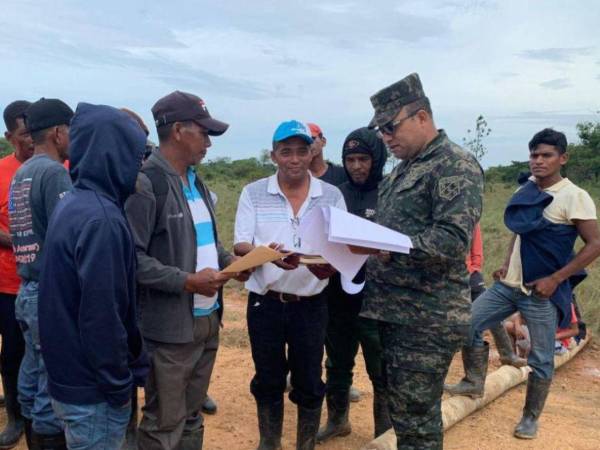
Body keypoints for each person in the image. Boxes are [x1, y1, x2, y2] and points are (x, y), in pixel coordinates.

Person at [445, 128, 600, 439]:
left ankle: (530, 417)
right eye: (534, 155)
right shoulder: (526, 191)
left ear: (562, 158)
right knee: (467, 323)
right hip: (508, 287)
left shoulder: (574, 196)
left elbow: (594, 244)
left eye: (546, 155)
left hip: (541, 293)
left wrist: (556, 279)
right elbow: (519, 228)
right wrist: (505, 263)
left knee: (541, 357)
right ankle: (474, 381)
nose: (538, 161)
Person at [358, 73, 484, 449]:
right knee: (405, 412)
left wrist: (389, 246)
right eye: (381, 130)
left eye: (390, 127)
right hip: (394, 310)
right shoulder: (404, 170)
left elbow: (451, 239)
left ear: (422, 117)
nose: (386, 137)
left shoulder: (454, 165)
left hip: (427, 316)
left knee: (417, 418)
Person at [125, 91, 246, 450]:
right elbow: (132, 259)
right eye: (203, 132)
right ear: (178, 130)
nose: (208, 143)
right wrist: (187, 282)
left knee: (192, 417)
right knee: (164, 422)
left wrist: (235, 266)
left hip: (208, 320)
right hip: (169, 331)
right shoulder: (148, 185)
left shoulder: (197, 182)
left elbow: (210, 244)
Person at [38, 103, 150, 450]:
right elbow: (101, 316)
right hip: (93, 391)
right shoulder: (102, 219)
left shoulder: (75, 202)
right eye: (136, 153)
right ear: (114, 155)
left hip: (69, 377)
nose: (140, 165)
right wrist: (118, 385)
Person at [234, 120, 345, 450]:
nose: (294, 159)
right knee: (267, 377)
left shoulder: (331, 195)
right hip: (265, 301)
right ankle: (270, 443)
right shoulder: (253, 192)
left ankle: (305, 445)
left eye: (301, 151)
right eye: (286, 152)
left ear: (313, 152)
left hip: (310, 304)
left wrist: (333, 265)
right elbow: (241, 244)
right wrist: (267, 255)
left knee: (309, 379)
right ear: (274, 156)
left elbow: (341, 245)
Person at [317, 127, 391, 443]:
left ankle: (384, 433)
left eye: (363, 159)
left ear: (377, 160)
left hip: (378, 300)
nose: (357, 166)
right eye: (351, 159)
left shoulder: (392, 194)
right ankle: (337, 420)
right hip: (338, 296)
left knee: (382, 370)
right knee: (336, 363)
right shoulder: (335, 193)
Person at [8, 98, 74, 449]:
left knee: (31, 382)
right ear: (58, 132)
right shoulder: (55, 173)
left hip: (26, 290)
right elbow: (67, 235)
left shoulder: (22, 172)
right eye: (72, 131)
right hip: (49, 292)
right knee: (52, 389)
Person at [0, 100, 32, 448]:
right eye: (24, 136)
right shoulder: (1, 171)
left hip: (48, 280)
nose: (30, 142)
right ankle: (15, 415)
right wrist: (24, 240)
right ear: (10, 137)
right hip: (9, 282)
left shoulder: (61, 167)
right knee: (12, 351)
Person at [467, 224, 527, 367]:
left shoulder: (470, 217)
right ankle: (474, 375)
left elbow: (476, 246)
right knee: (468, 321)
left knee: (492, 314)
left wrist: (474, 268)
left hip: (471, 273)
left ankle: (507, 354)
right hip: (447, 276)